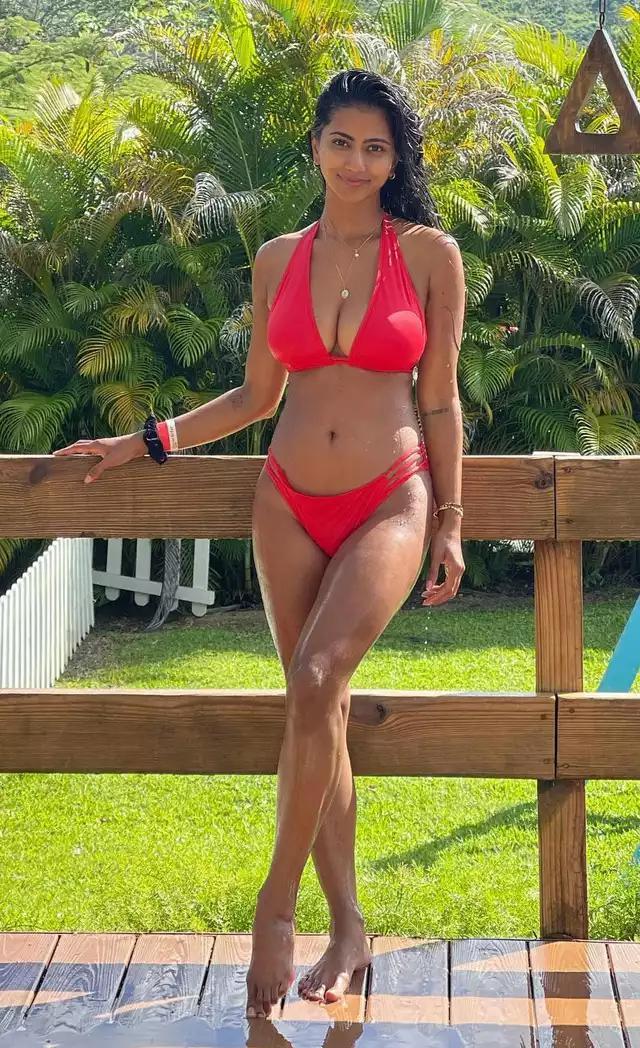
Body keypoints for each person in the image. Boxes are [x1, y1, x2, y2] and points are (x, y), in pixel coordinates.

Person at [53, 69, 466, 1021]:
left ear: (394, 161)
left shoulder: (428, 254)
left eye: (376, 147)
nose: (357, 160)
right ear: (316, 147)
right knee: (316, 704)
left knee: (317, 677)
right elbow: (256, 396)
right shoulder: (280, 258)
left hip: (390, 496)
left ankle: (274, 909)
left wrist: (451, 518)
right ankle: (350, 926)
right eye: (341, 141)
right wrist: (145, 441)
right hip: (286, 501)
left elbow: (440, 399)